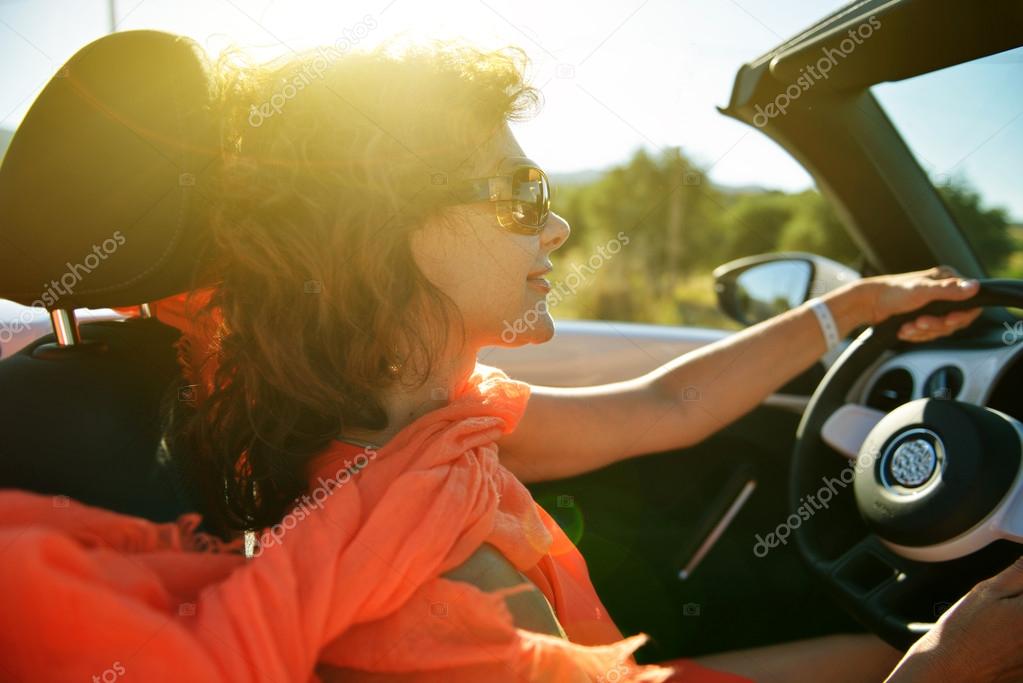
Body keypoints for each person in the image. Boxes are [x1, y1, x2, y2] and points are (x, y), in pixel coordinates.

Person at [5, 37, 1022, 683]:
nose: (563, 226)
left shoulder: (434, 414)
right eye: (519, 197)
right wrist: (940, 669)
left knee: (867, 649)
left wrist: (852, 304)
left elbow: (668, 403)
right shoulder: (425, 585)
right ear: (373, 234)